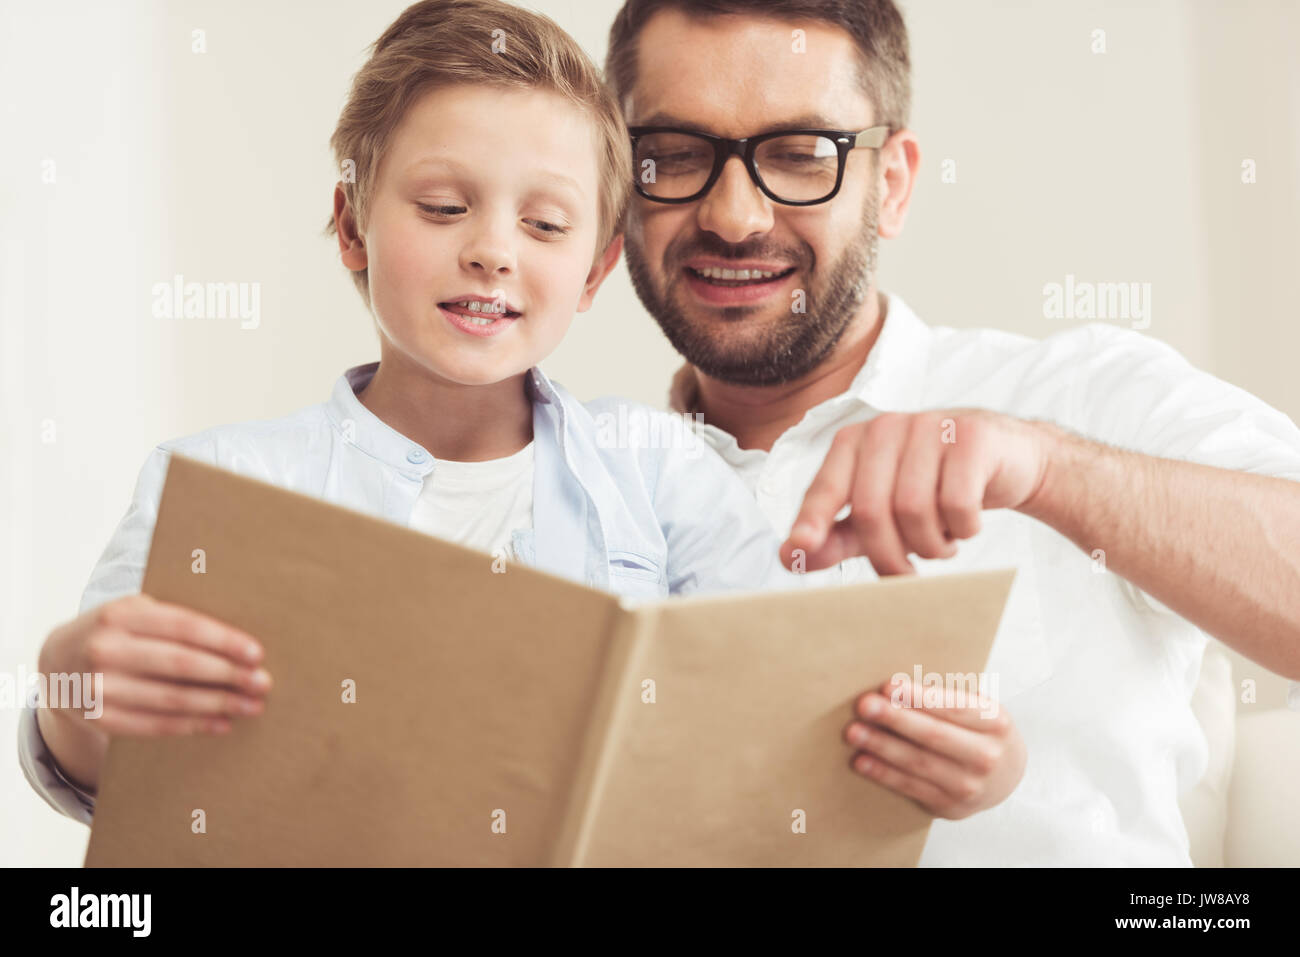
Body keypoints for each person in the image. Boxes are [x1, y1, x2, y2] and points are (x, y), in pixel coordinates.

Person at [19, 0, 804, 827]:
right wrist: (74, 696)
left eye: (545, 223)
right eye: (441, 207)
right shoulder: (221, 484)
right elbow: (110, 775)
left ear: (596, 270)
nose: (494, 250)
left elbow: (778, 707)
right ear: (354, 223)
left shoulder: (658, 469)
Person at [606, 0, 1300, 864]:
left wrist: (1049, 470)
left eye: (799, 155)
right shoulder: (578, 482)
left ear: (891, 183)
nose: (735, 217)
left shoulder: (1082, 395)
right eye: (673, 155)